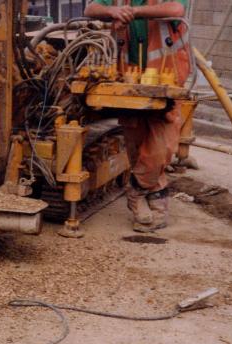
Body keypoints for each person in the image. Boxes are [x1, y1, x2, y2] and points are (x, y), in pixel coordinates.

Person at [85, 0, 189, 232]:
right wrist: (111, 11)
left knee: (161, 147)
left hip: (165, 75)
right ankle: (155, 207)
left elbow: (177, 9)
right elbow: (90, 8)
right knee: (136, 143)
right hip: (129, 79)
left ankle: (135, 189)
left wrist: (135, 12)